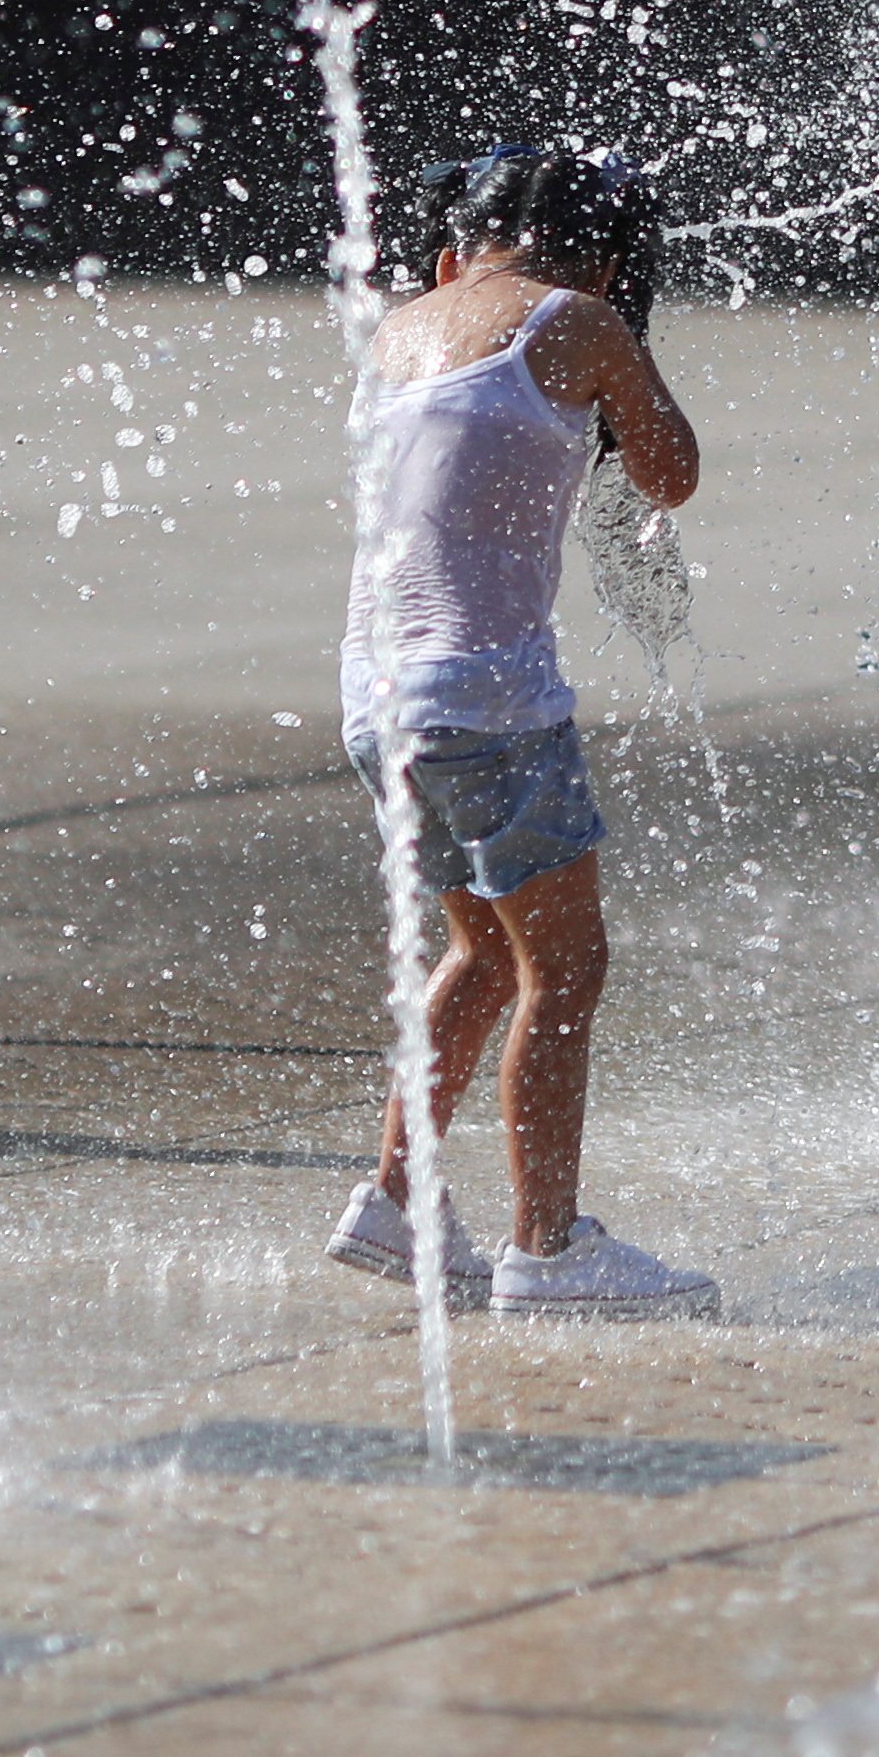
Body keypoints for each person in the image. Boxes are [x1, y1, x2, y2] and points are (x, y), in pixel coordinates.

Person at [328, 144, 719, 1320]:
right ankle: (547, 1248)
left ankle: (396, 1203)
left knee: (482, 955)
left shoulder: (401, 328)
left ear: (459, 249)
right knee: (564, 968)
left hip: (378, 700)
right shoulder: (578, 322)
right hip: (489, 697)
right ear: (602, 262)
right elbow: (671, 475)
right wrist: (626, 351)